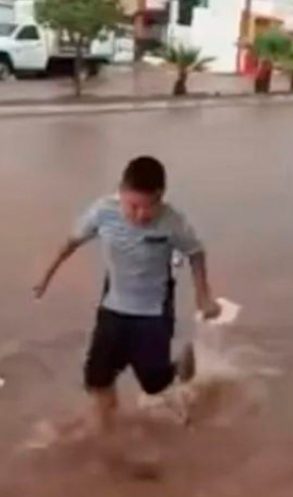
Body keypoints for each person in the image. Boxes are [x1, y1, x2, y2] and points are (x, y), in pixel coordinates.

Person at [33, 156, 221, 432]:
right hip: (114, 306)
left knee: (153, 383)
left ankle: (180, 367)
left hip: (153, 311)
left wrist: (203, 295)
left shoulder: (172, 222)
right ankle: (105, 429)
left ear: (162, 198)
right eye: (133, 206)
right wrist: (45, 278)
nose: (142, 215)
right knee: (97, 378)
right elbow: (70, 243)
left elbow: (195, 252)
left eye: (150, 207)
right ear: (120, 192)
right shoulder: (102, 211)